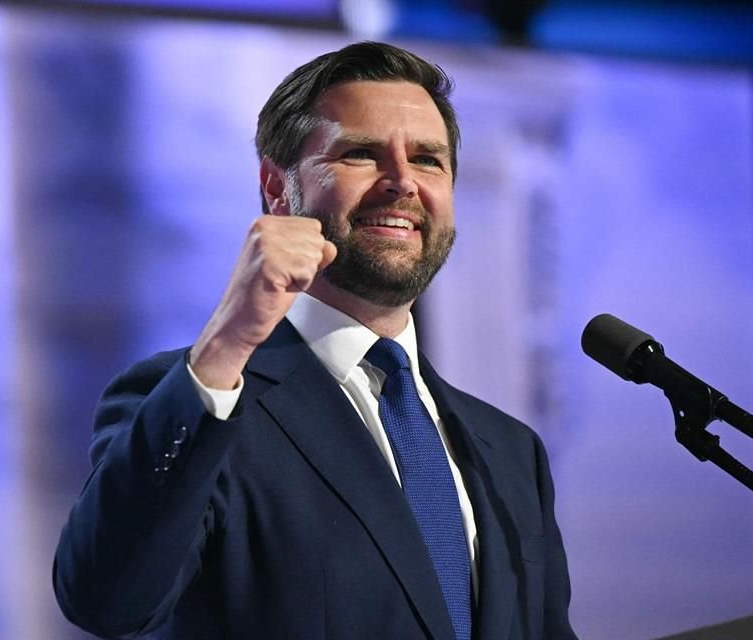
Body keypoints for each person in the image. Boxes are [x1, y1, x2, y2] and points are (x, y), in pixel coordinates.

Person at [53, 41, 578, 640]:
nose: (403, 183)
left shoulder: (512, 453)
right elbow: (106, 597)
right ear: (278, 189)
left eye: (429, 160)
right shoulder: (201, 398)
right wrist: (229, 340)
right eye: (361, 153)